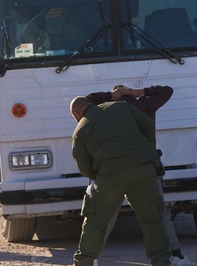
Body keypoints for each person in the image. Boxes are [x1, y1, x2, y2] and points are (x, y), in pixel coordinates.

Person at [84, 85, 194, 266]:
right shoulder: (146, 105)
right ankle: (176, 255)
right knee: (157, 215)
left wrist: (109, 95)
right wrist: (138, 92)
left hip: (113, 171)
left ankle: (91, 258)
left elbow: (86, 101)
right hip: (146, 170)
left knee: (105, 215)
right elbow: (167, 90)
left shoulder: (105, 111)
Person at [69, 96, 170, 266]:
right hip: (144, 169)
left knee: (95, 219)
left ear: (76, 113)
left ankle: (83, 262)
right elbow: (147, 124)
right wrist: (147, 151)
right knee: (152, 218)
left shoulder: (80, 130)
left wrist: (103, 176)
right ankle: (162, 261)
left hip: (110, 176)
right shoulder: (121, 106)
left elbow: (84, 168)